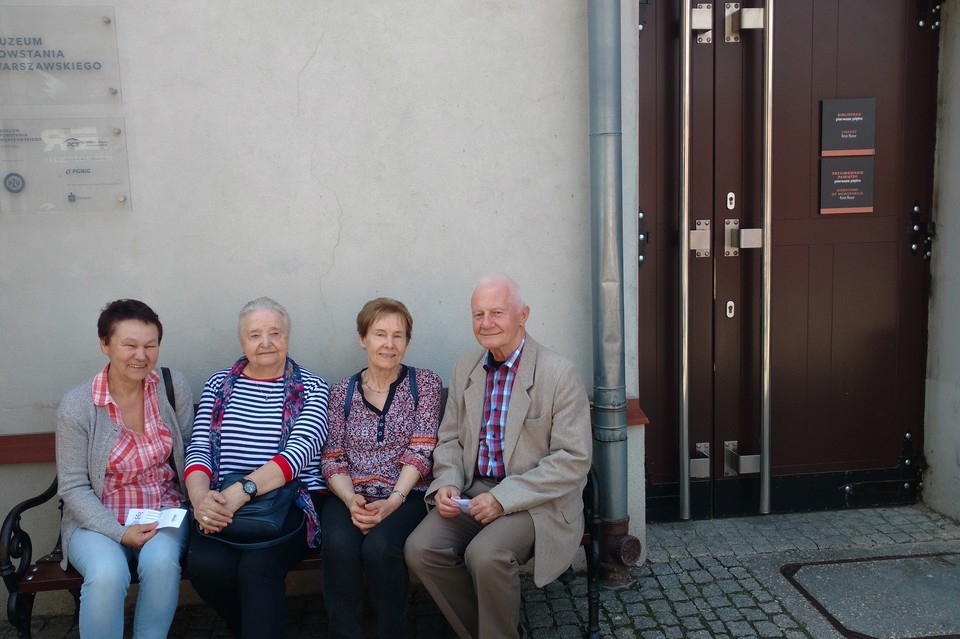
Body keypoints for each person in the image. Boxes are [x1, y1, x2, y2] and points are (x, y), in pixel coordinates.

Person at [404, 274, 593, 639]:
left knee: (485, 555)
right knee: (421, 548)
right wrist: (446, 483)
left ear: (522, 315)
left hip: (537, 500)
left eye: (497, 312)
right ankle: (498, 631)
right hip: (474, 492)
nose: (486, 323)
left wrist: (503, 499)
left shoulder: (559, 373)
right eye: (478, 314)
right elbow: (449, 441)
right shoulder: (466, 368)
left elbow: (572, 459)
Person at [184, 296, 329, 639]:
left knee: (258, 568)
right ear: (242, 341)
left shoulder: (312, 387)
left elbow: (297, 454)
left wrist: (241, 493)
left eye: (275, 333)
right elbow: (200, 447)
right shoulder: (219, 384)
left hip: (288, 502)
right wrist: (201, 498)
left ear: (288, 338)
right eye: (255, 335)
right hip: (222, 502)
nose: (266, 342)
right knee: (206, 567)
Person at [55, 299, 194, 639]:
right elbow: (72, 487)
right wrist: (119, 534)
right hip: (97, 519)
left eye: (150, 345)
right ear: (105, 344)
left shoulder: (171, 388)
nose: (141, 355)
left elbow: (192, 454)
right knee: (106, 572)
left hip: (163, 511)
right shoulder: (78, 405)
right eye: (129, 345)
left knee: (161, 563)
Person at [320, 297, 443, 638]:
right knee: (340, 546)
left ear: (406, 341)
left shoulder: (425, 384)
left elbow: (422, 449)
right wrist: (350, 502)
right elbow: (333, 457)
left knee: (380, 549)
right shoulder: (340, 392)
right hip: (349, 494)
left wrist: (392, 502)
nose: (389, 344)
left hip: (407, 492)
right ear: (363, 338)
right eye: (379, 334)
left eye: (398, 336)